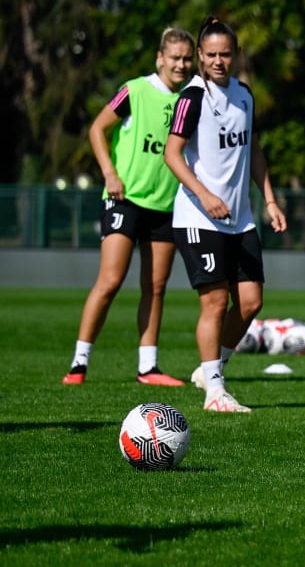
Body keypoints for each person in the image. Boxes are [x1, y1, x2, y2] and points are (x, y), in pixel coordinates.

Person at [165, 15, 287, 413]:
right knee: (216, 302)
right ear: (200, 55)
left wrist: (269, 200)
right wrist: (204, 195)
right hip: (199, 218)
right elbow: (172, 153)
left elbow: (254, 149)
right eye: (211, 55)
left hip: (241, 218)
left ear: (235, 55)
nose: (219, 61)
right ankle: (215, 391)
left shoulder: (244, 95)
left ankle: (211, 367)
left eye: (226, 54)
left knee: (251, 303)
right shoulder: (193, 96)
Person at [62, 28, 195, 387]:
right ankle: (79, 362)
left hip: (166, 206)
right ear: (160, 57)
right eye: (175, 57)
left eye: (187, 58)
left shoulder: (192, 98)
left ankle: (148, 368)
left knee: (156, 286)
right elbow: (97, 129)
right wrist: (109, 174)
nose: (181, 65)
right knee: (110, 280)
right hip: (126, 200)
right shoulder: (135, 90)